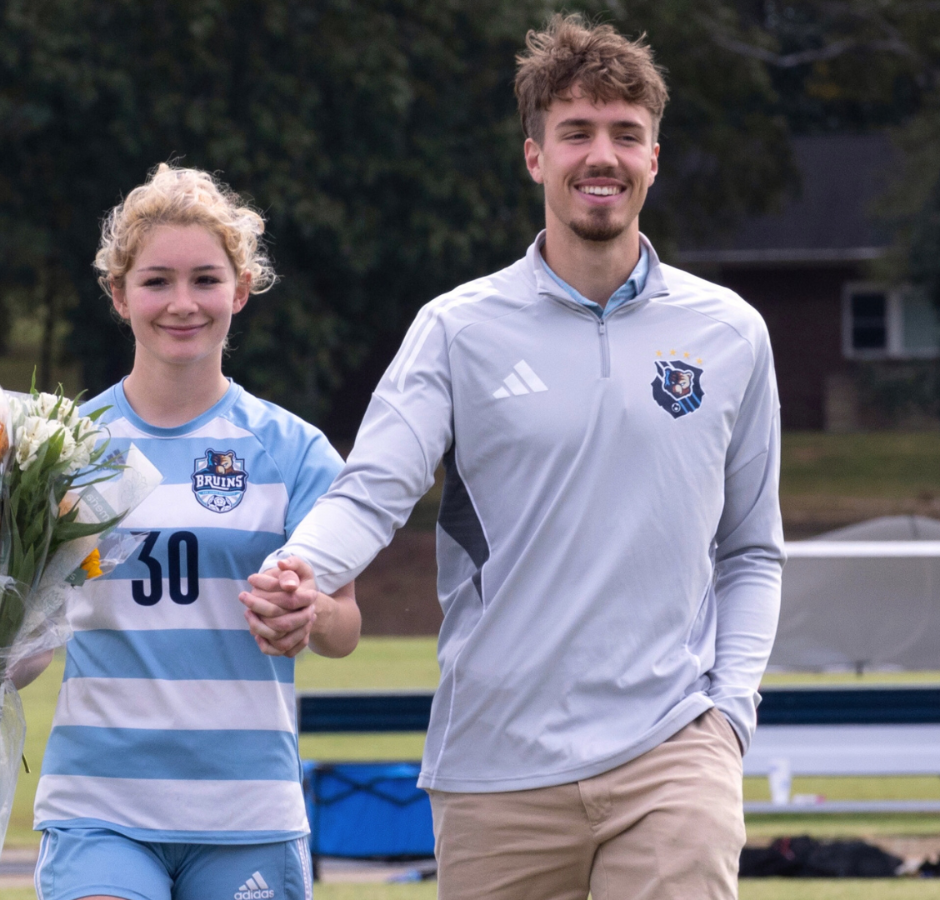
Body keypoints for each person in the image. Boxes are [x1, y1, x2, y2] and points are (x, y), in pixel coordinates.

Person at [243, 15, 783, 899]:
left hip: (673, 753)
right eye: (575, 132)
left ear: (655, 156)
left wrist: (729, 715)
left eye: (625, 135)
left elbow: (753, 549)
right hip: (496, 768)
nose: (600, 155)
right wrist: (296, 570)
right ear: (536, 155)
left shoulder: (730, 332)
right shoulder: (458, 329)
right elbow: (373, 491)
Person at [0, 163, 361, 900]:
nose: (182, 303)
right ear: (118, 293)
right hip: (99, 806)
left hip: (247, 811)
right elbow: (36, 630)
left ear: (241, 289)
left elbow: (343, 627)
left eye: (205, 279)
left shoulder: (295, 450)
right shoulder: (56, 445)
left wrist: (311, 612)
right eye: (157, 281)